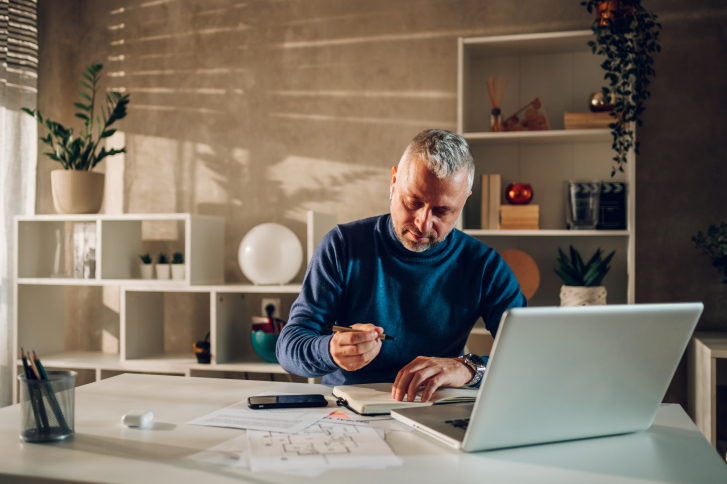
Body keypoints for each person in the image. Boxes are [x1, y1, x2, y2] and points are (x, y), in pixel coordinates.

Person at [276, 129, 526, 403]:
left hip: (434, 409)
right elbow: (289, 347)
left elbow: (531, 353)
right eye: (413, 202)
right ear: (394, 181)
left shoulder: (483, 266)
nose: (423, 223)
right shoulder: (343, 245)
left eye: (443, 211)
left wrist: (468, 368)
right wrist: (330, 351)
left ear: (465, 199)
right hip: (346, 408)